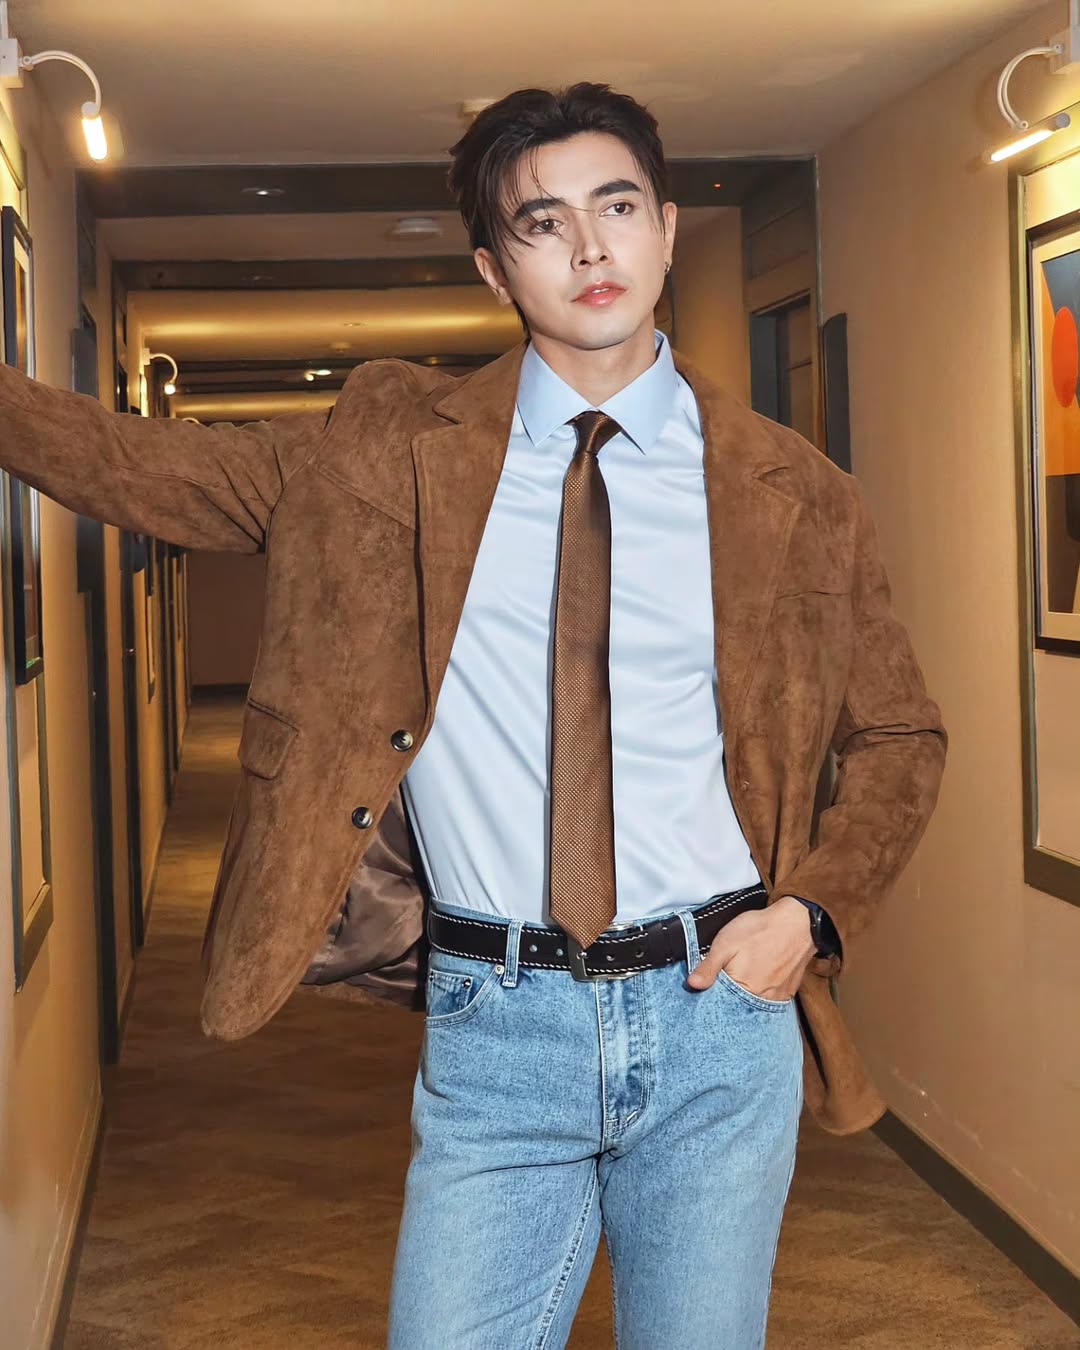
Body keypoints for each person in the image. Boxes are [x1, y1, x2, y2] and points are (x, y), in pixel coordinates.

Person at [0, 82, 945, 1349]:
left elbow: (899, 734)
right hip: (498, 1024)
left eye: (618, 207)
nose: (591, 247)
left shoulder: (798, 493)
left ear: (667, 227)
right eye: (543, 222)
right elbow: (144, 466)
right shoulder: (387, 453)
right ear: (496, 267)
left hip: (719, 1014)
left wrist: (810, 916)